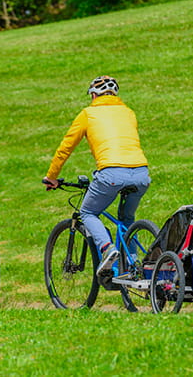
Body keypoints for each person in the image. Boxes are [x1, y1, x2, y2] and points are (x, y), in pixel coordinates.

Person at [43, 76, 150, 276]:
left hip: (111, 172)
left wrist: (52, 177)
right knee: (126, 218)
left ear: (93, 95)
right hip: (142, 173)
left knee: (88, 213)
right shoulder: (129, 112)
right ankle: (132, 266)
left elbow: (65, 148)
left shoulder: (88, 114)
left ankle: (107, 248)